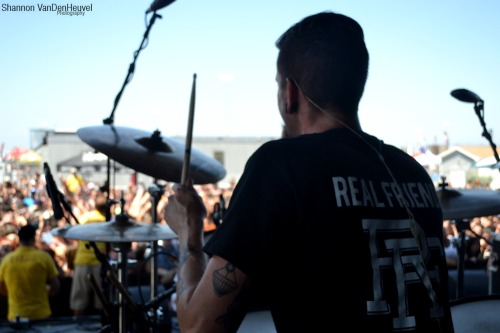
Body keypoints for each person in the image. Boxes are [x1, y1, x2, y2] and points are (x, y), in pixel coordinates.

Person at [164, 11, 455, 332]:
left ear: (290, 93)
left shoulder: (279, 165)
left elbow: (198, 327)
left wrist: (189, 232)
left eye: (278, 86)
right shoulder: (414, 173)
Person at [0, 224, 60, 321]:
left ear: (19, 239)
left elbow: (1, 288)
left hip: (16, 316)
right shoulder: (44, 258)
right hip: (41, 314)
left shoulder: (7, 260)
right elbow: (56, 286)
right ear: (34, 238)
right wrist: (46, 292)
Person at [69, 190, 108, 317]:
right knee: (102, 301)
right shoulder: (106, 222)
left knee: (79, 301)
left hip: (82, 261)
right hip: (99, 263)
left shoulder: (85, 218)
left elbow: (75, 238)